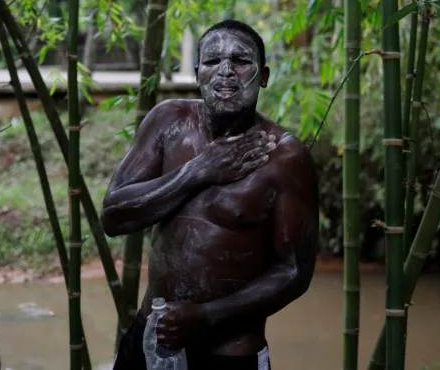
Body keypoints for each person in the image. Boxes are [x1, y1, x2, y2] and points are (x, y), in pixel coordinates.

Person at [102, 19, 319, 370]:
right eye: (213, 61)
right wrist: (198, 171)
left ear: (263, 76)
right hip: (151, 337)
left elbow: (294, 271)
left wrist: (206, 317)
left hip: (229, 353)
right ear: (197, 72)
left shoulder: (285, 157)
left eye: (241, 61)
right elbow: (113, 216)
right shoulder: (168, 121)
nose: (226, 72)